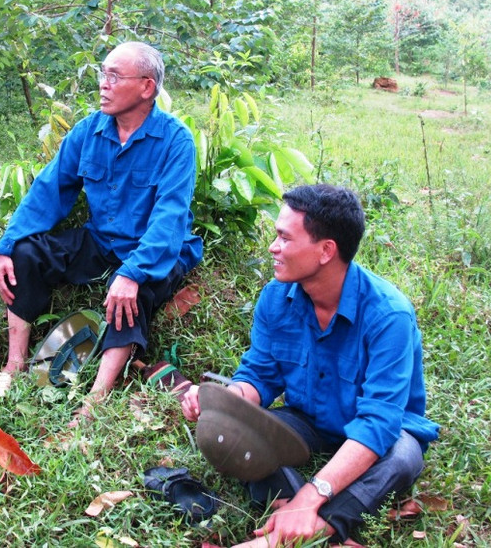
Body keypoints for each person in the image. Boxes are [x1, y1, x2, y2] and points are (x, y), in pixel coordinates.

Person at [181, 184, 440, 547]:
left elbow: (378, 423)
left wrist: (312, 494)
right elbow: (259, 375)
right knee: (235, 434)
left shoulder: (389, 315)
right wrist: (227, 402)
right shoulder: (276, 297)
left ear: (325, 251)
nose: (273, 247)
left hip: (381, 435)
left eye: (284, 239)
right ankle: (298, 517)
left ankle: (315, 523)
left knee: (404, 456)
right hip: (307, 423)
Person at [0, 41, 202, 422]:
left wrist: (132, 273)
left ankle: (94, 402)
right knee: (26, 253)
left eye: (114, 76)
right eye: (102, 74)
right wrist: (7, 246)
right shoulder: (89, 131)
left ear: (147, 87)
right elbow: (49, 190)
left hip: (155, 251)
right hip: (102, 241)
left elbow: (169, 220)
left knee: (129, 298)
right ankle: (15, 364)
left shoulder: (176, 141)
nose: (103, 84)